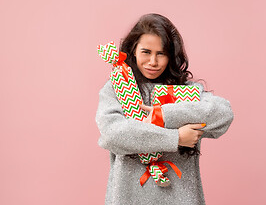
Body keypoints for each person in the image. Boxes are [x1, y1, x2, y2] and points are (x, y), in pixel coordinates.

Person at [95, 13, 234, 205]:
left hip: (181, 199)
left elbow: (223, 114)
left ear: (171, 55)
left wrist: (164, 115)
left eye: (161, 53)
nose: (153, 61)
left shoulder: (186, 91)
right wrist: (176, 138)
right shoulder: (117, 88)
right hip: (128, 198)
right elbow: (112, 135)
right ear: (133, 50)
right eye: (146, 52)